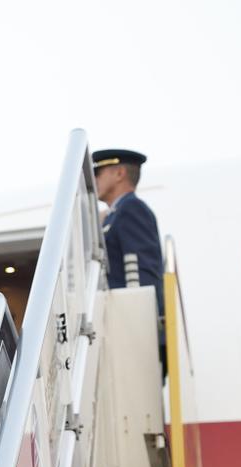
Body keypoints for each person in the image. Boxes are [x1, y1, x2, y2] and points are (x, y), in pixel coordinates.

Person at [93, 148, 165, 372]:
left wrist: (138, 326)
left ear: (119, 173)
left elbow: (142, 273)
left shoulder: (131, 209)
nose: (94, 179)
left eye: (98, 172)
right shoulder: (114, 214)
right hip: (123, 327)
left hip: (133, 330)